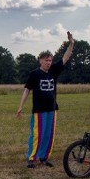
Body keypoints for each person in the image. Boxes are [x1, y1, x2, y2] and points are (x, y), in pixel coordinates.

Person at [17, 31, 74, 168]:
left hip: (52, 109)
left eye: (50, 60)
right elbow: (26, 90)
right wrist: (20, 106)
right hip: (39, 110)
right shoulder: (34, 74)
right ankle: (31, 158)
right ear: (40, 61)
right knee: (37, 134)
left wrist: (71, 43)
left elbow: (65, 57)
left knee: (49, 134)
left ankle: (44, 157)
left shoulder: (54, 70)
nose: (49, 63)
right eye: (46, 60)